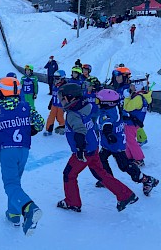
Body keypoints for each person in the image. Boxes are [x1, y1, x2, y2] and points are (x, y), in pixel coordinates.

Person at [0, 77, 45, 236]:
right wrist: (32, 128)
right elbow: (40, 124)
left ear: (0, 92)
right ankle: (13, 214)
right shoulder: (26, 107)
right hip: (24, 150)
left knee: (10, 184)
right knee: (16, 182)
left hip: (8, 150)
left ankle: (29, 207)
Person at [56, 83, 138, 212]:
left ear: (71, 98)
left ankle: (72, 202)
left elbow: (80, 131)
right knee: (101, 174)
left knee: (69, 174)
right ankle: (125, 194)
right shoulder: (85, 107)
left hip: (84, 152)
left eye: (63, 98)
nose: (61, 101)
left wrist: (80, 149)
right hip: (93, 149)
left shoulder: (73, 114)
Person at [95, 89, 158, 195]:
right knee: (101, 159)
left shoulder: (108, 113)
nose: (97, 103)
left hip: (115, 145)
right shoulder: (115, 108)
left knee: (124, 166)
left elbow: (107, 124)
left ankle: (147, 180)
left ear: (106, 103)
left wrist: (109, 134)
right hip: (109, 144)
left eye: (98, 101)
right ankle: (108, 181)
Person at [122, 75, 152, 167]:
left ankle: (139, 159)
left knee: (130, 140)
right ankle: (129, 156)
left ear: (137, 85)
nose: (130, 87)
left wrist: (127, 97)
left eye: (132, 85)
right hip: (134, 122)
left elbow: (127, 107)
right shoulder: (143, 96)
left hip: (131, 122)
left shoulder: (138, 98)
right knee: (127, 139)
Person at [43, 70, 67, 136]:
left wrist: (66, 105)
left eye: (57, 78)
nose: (56, 80)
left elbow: (67, 97)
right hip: (54, 105)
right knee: (51, 117)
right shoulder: (55, 86)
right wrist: (51, 103)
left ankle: (63, 127)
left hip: (61, 105)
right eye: (55, 78)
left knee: (59, 117)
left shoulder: (65, 87)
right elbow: (54, 95)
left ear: (62, 78)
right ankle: (48, 129)